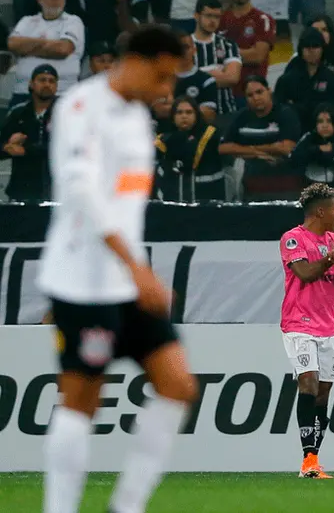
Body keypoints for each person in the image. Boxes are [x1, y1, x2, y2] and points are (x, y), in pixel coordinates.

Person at [38, 25, 198, 513]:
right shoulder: (81, 108)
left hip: (126, 281)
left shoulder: (136, 118)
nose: (168, 91)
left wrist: (136, 270)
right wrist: (138, 268)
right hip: (81, 284)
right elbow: (82, 196)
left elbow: (126, 209)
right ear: (140, 62)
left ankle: (126, 506)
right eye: (165, 78)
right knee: (81, 402)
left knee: (178, 384)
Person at [280, 183, 334, 479]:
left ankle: (314, 459)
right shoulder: (293, 239)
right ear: (320, 211)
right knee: (309, 382)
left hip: (328, 327)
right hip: (298, 324)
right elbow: (304, 274)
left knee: (323, 393)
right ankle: (307, 459)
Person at [218, 75, 301, 200]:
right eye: (250, 95)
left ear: (269, 90)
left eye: (259, 92)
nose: (256, 98)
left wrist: (246, 150)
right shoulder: (241, 117)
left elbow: (286, 148)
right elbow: (223, 148)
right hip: (251, 187)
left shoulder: (285, 114)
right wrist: (256, 152)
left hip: (284, 186)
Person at [7, 0, 84, 108]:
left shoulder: (73, 21)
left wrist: (28, 47)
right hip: (24, 91)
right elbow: (13, 44)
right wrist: (50, 45)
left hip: (62, 93)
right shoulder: (27, 21)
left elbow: (62, 49)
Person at [219, 0, 277, 105]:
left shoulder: (263, 19)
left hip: (252, 96)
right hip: (222, 92)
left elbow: (257, 56)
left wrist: (224, 53)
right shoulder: (219, 20)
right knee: (213, 127)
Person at [0, 63, 58, 201]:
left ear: (56, 86)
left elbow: (63, 148)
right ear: (32, 84)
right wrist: (6, 147)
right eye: (42, 80)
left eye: (51, 81)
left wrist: (26, 150)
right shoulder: (18, 113)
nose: (47, 84)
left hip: (56, 190)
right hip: (21, 190)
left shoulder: (65, 114)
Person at [274, 27, 334, 132]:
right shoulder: (286, 80)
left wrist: (296, 106)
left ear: (322, 49)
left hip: (323, 132)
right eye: (307, 46)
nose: (311, 50)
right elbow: (279, 110)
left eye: (316, 46)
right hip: (293, 132)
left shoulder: (333, 80)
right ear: (301, 50)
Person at [154, 96, 225, 202]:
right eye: (179, 112)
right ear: (173, 117)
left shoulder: (211, 136)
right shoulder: (163, 140)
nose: (184, 116)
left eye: (189, 112)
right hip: (173, 203)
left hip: (206, 198)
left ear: (196, 115)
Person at [192, 0, 242, 116]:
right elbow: (181, 80)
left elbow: (232, 78)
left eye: (217, 17)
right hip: (193, 115)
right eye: (208, 16)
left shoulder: (228, 45)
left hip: (225, 112)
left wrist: (197, 74)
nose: (213, 21)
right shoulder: (184, 45)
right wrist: (213, 71)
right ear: (196, 16)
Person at [291, 103, 334, 190]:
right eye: (320, 121)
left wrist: (311, 153)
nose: (324, 126)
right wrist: (319, 149)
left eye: (329, 121)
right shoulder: (309, 136)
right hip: (310, 186)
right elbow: (294, 158)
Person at [174, 32, 218, 121]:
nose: (182, 52)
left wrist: (178, 112)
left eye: (186, 47)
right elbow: (159, 111)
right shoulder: (162, 79)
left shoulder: (207, 80)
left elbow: (209, 114)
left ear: (194, 50)